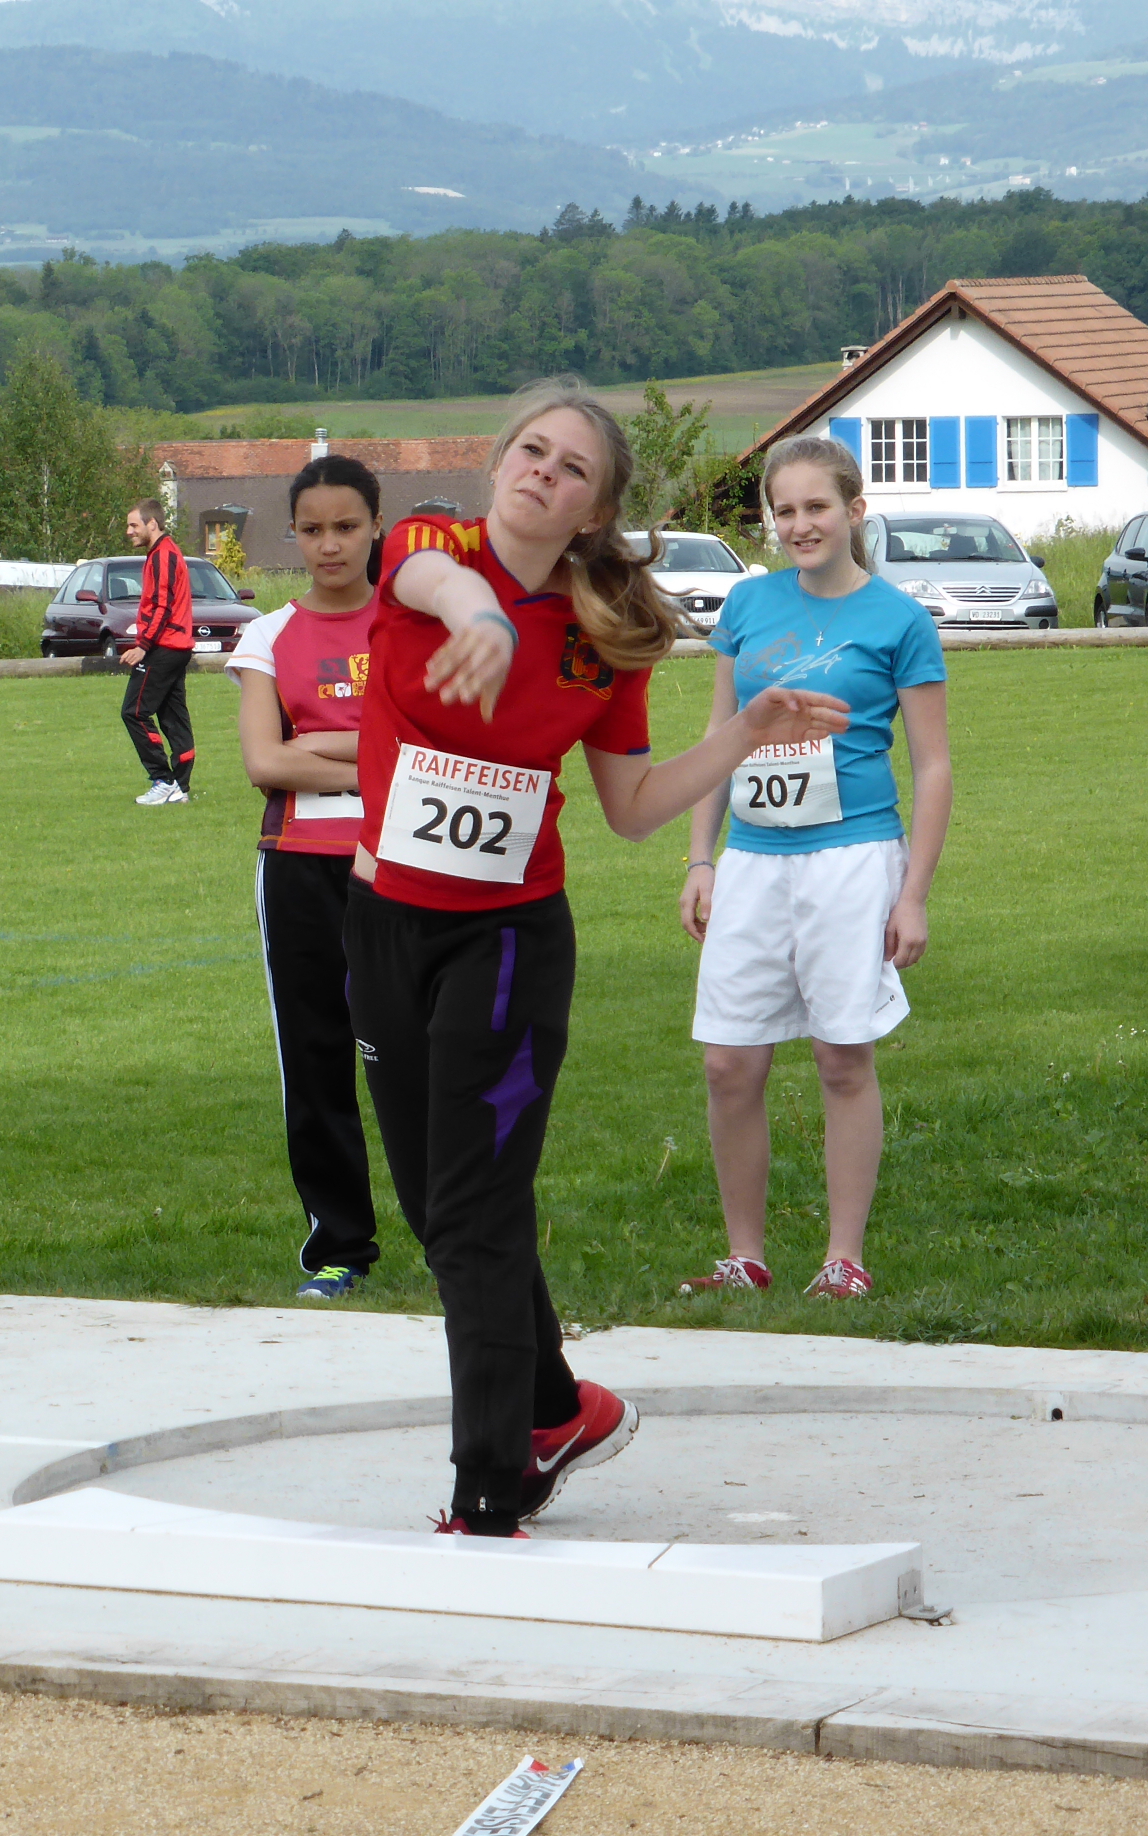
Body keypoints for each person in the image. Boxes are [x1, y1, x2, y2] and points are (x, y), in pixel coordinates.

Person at [344, 377, 848, 1538]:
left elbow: (631, 808)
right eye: (531, 450)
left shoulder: (602, 635)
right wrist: (477, 615)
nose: (543, 472)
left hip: (506, 942)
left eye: (572, 468)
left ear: (595, 510)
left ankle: (489, 1488)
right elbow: (430, 581)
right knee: (437, 1208)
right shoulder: (430, 549)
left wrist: (744, 732)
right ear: (498, 462)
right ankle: (558, 1406)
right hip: (380, 923)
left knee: (475, 1209)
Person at [675, 436, 951, 1301]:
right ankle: (745, 1256)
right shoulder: (748, 605)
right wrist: (700, 859)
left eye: (817, 507)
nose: (800, 525)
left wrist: (913, 895)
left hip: (853, 858)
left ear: (854, 511)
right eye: (784, 510)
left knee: (841, 1056)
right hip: (754, 860)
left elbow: (934, 765)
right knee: (729, 1063)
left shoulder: (899, 620)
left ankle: (843, 1258)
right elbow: (719, 742)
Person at [228, 455, 385, 1300]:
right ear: (292, 533)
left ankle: (456, 1236)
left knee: (417, 1055)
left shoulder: (412, 626)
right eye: (313, 529)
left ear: (375, 526)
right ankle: (339, 1246)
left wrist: (316, 743)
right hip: (298, 868)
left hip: (403, 862)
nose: (331, 544)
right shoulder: (268, 636)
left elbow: (430, 747)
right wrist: (373, 756)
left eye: (347, 527)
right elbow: (264, 762)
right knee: (316, 1056)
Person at [121, 500, 197, 806]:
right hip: (177, 647)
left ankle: (163, 780)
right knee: (173, 717)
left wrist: (143, 646)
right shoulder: (164, 552)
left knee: (134, 712)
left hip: (165, 646)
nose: (129, 531)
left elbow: (162, 606)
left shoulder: (163, 555)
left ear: (152, 524)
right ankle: (180, 786)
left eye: (134, 525)